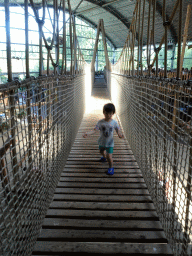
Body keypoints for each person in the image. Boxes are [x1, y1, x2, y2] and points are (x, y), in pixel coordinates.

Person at [83, 103, 124, 175]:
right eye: (107, 113)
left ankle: (111, 168)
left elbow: (118, 130)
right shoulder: (100, 122)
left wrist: (120, 135)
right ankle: (104, 157)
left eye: (110, 114)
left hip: (110, 143)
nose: (109, 115)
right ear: (104, 113)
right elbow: (94, 130)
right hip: (102, 142)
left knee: (109, 156)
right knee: (101, 152)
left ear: (113, 113)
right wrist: (87, 133)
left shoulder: (114, 122)